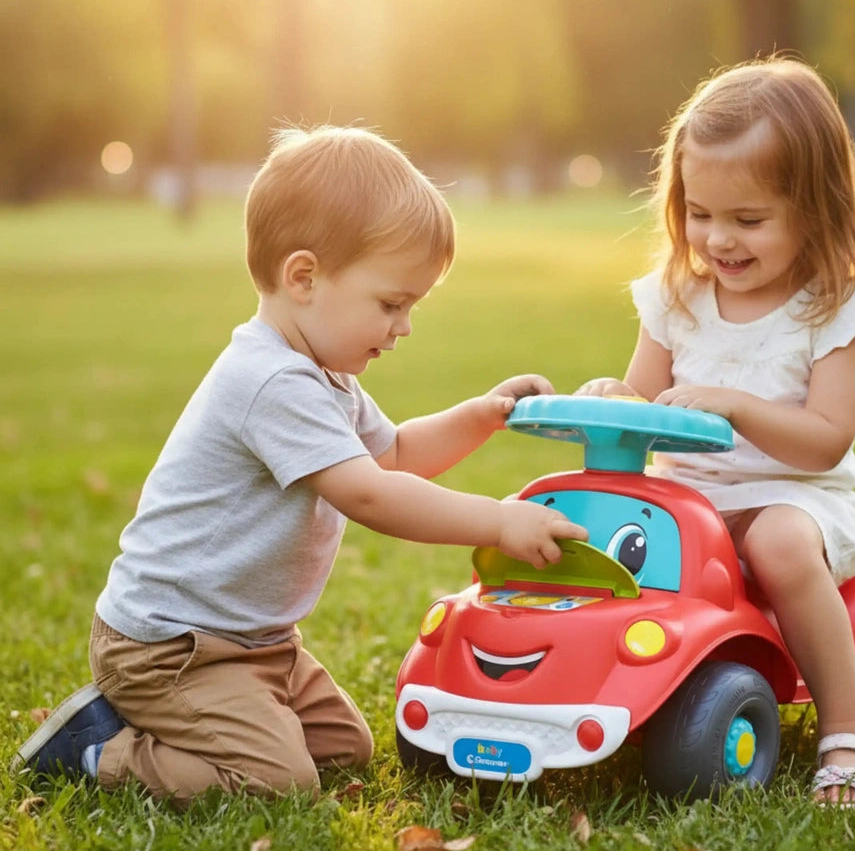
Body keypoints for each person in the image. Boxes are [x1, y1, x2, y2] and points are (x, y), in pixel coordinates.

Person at [11, 125, 586, 806]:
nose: (404, 327)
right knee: (279, 782)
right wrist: (495, 522)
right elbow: (370, 494)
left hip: (256, 645)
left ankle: (209, 720)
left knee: (346, 748)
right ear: (304, 277)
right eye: (391, 304)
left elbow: (395, 452)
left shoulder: (324, 374)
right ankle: (101, 750)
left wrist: (483, 415)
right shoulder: (270, 382)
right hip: (170, 650)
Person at [577, 57, 855, 805]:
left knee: (776, 542)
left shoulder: (835, 313)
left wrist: (738, 406)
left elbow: (825, 442)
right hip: (691, 506)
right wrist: (615, 396)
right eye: (701, 213)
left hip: (798, 503)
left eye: (748, 220)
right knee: (598, 534)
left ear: (815, 210)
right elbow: (646, 400)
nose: (719, 239)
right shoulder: (677, 297)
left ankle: (850, 734)